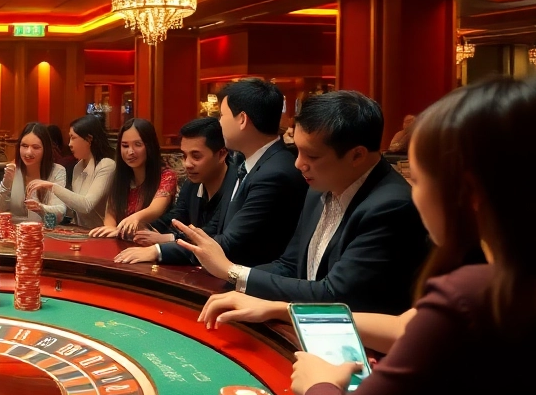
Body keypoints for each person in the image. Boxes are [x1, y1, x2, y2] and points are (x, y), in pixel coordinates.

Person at [196, 77, 536, 395]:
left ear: (469, 192)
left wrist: (319, 384)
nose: (411, 188)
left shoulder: (476, 295)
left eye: (418, 174)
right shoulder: (530, 276)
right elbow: (406, 326)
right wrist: (283, 309)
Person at [172, 91, 428, 314]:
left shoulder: (391, 206)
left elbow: (334, 295)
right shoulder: (319, 187)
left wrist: (232, 271)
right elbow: (291, 265)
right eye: (298, 150)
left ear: (357, 155)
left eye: (312, 155)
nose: (298, 163)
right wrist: (229, 281)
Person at [118, 78, 306, 267]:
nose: (219, 123)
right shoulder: (246, 163)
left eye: (222, 116)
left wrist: (157, 250)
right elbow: (215, 229)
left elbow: (228, 243)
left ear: (242, 120)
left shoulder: (274, 173)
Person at [130, 117, 234, 249]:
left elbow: (212, 233)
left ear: (221, 154)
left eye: (196, 156)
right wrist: (145, 228)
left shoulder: (237, 185)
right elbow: (176, 217)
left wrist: (167, 239)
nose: (187, 164)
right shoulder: (191, 183)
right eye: (184, 156)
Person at [92, 117, 176, 239]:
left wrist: (134, 218)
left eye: (138, 145)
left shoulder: (167, 176)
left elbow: (155, 209)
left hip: (154, 246)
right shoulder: (120, 176)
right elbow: (110, 213)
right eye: (125, 146)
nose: (130, 152)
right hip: (121, 241)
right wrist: (110, 229)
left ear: (150, 146)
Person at [27, 115, 114, 229]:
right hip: (80, 231)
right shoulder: (78, 166)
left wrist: (52, 186)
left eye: (73, 138)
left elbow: (86, 205)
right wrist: (42, 207)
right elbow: (74, 205)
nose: (69, 144)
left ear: (89, 139)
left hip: (100, 233)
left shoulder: (106, 165)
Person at [0, 122, 66, 223]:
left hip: (43, 233)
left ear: (46, 149)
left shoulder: (57, 171)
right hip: (14, 232)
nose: (28, 152)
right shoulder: (14, 169)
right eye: (24, 146)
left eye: (35, 147)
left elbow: (60, 213)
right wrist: (6, 184)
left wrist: (40, 208)